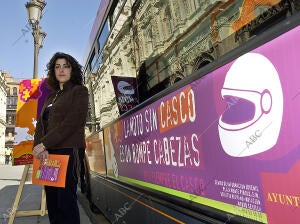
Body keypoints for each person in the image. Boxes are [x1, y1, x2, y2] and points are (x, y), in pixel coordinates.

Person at [33, 52, 89, 224]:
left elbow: (71, 123)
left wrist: (44, 143)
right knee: (53, 202)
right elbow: (41, 125)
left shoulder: (79, 91)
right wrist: (38, 147)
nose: (61, 70)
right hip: (48, 156)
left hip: (68, 152)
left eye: (66, 66)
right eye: (57, 66)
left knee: (66, 203)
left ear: (72, 69)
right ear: (53, 71)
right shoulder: (51, 97)